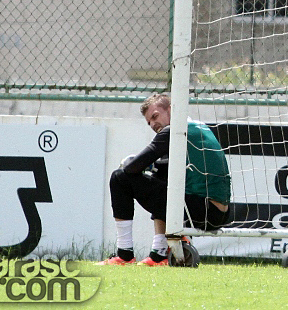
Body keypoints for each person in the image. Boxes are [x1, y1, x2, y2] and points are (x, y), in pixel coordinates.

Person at [98, 94, 231, 266]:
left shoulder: (174, 130)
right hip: (219, 214)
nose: (153, 124)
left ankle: (124, 255)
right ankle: (159, 254)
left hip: (200, 212)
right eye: (149, 122)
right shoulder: (199, 127)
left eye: (155, 116)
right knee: (162, 172)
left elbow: (132, 167)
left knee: (119, 177)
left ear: (171, 110)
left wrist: (131, 163)